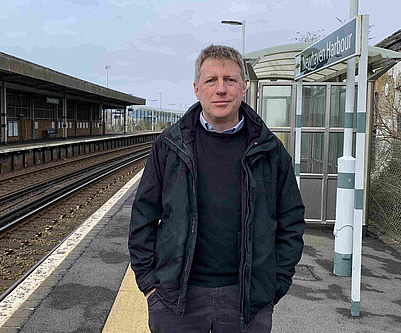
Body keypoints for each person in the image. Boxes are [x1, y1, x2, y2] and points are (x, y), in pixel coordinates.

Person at [129, 44, 305, 333]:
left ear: (244, 87)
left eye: (230, 80)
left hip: (247, 301)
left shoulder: (271, 151)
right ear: (197, 89)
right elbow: (142, 218)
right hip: (176, 301)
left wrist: (274, 287)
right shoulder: (169, 147)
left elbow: (291, 222)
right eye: (211, 80)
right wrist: (150, 287)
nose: (221, 89)